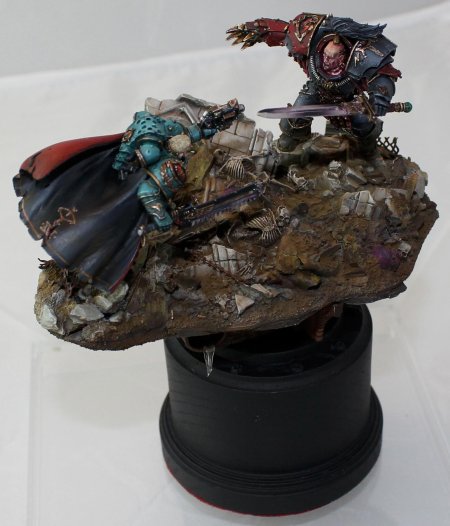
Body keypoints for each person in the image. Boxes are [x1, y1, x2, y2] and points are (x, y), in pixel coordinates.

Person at [14, 100, 243, 291]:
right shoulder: (144, 146)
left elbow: (187, 136)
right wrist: (164, 219)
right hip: (123, 188)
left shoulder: (165, 134)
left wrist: (207, 128)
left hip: (136, 183)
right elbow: (147, 190)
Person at [227, 13, 401, 156]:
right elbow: (284, 30)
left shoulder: (363, 55)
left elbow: (383, 75)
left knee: (363, 124)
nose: (328, 61)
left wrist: (380, 97)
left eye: (334, 58)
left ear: (344, 55)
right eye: (327, 56)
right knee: (293, 121)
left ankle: (369, 153)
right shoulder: (310, 40)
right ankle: (290, 151)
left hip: (348, 99)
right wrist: (258, 28)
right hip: (316, 90)